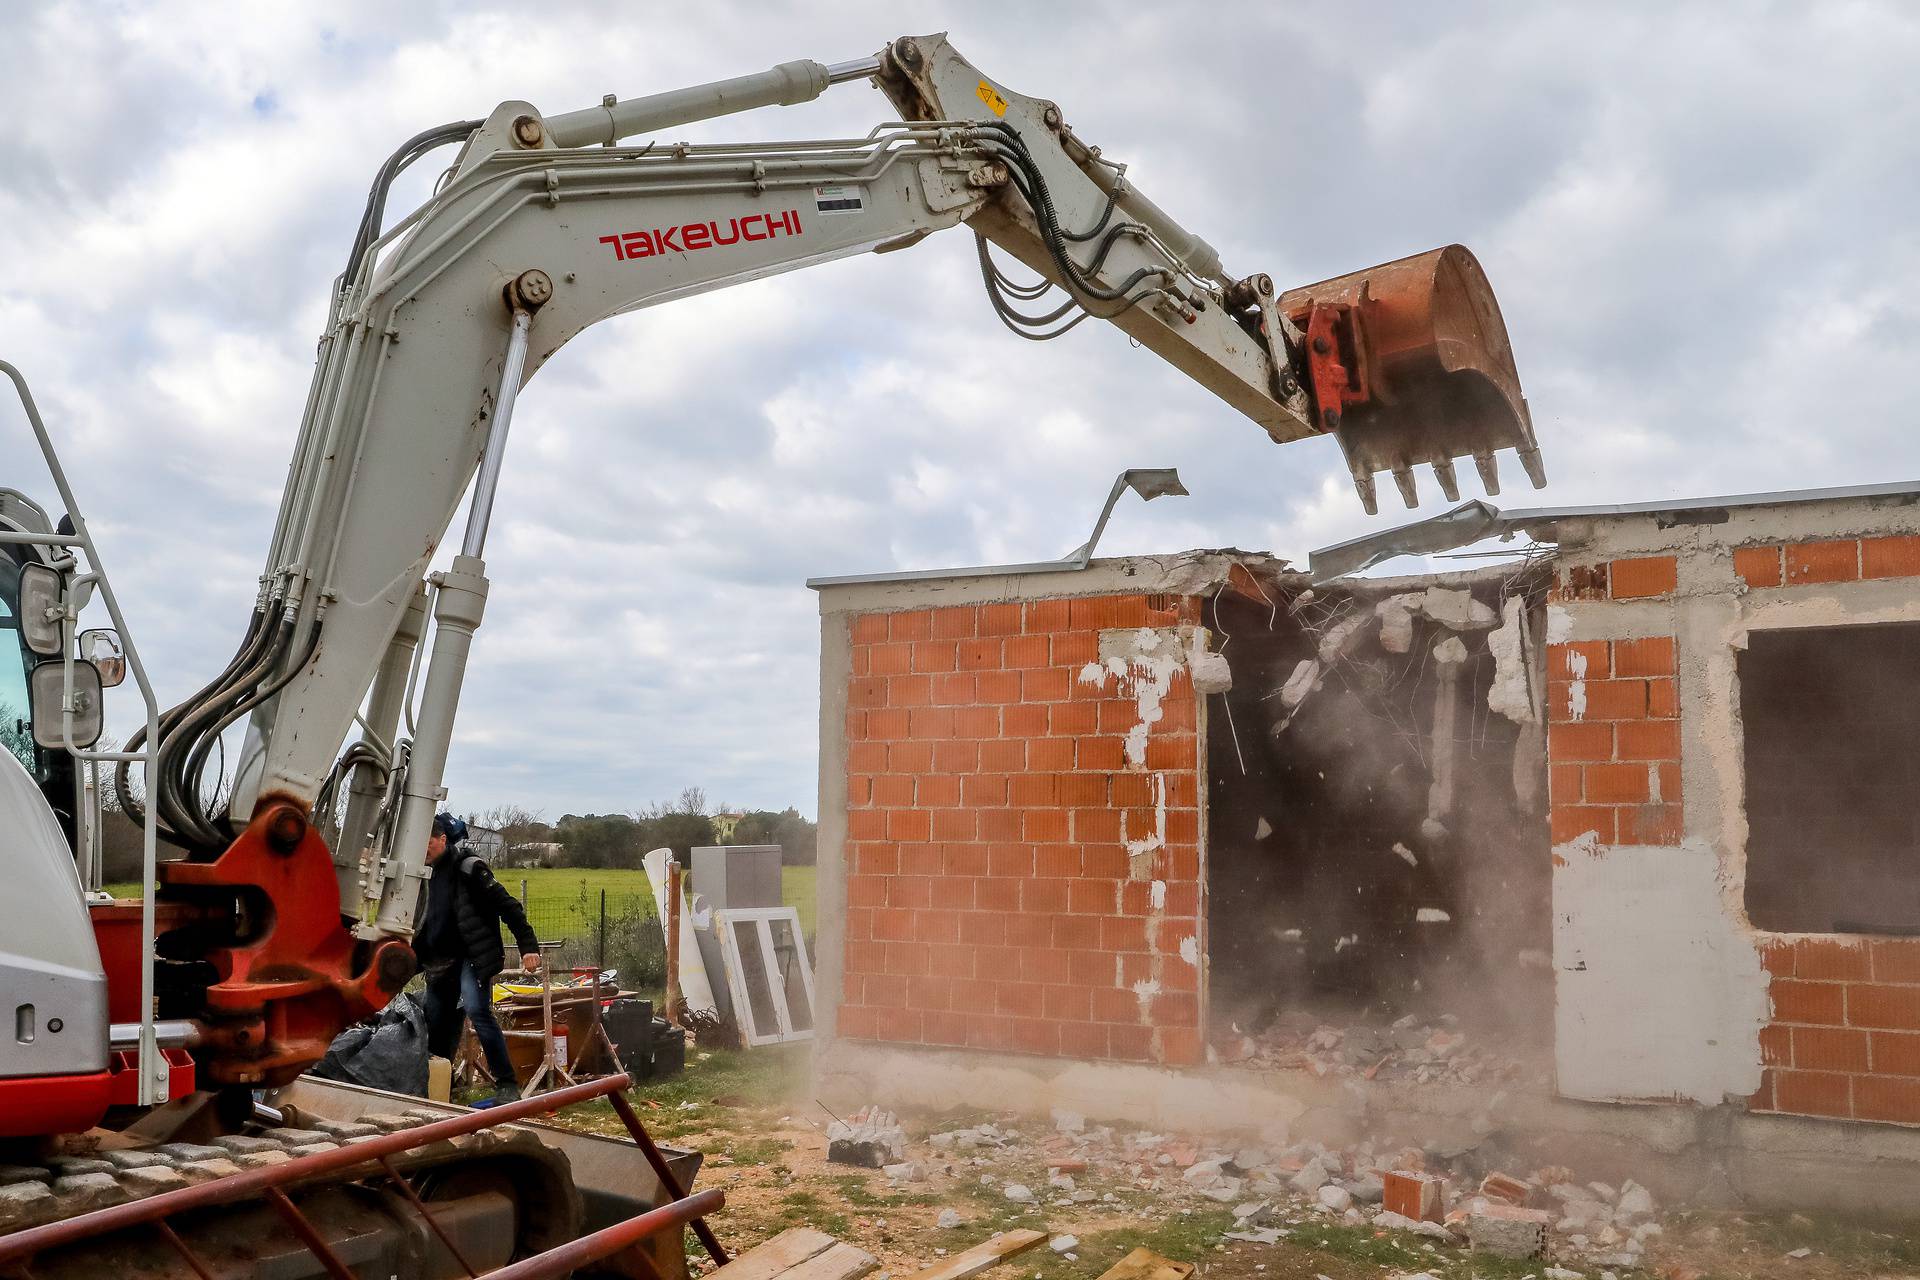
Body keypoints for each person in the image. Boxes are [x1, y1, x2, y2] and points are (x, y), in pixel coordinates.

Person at [415, 812, 540, 1104]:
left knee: (477, 1011)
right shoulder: (421, 876)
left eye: (428, 843)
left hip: (473, 957)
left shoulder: (470, 869)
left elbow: (509, 907)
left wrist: (529, 947)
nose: (423, 850)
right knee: (435, 1020)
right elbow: (421, 922)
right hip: (439, 960)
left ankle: (507, 1086)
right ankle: (440, 1089)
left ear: (443, 839)